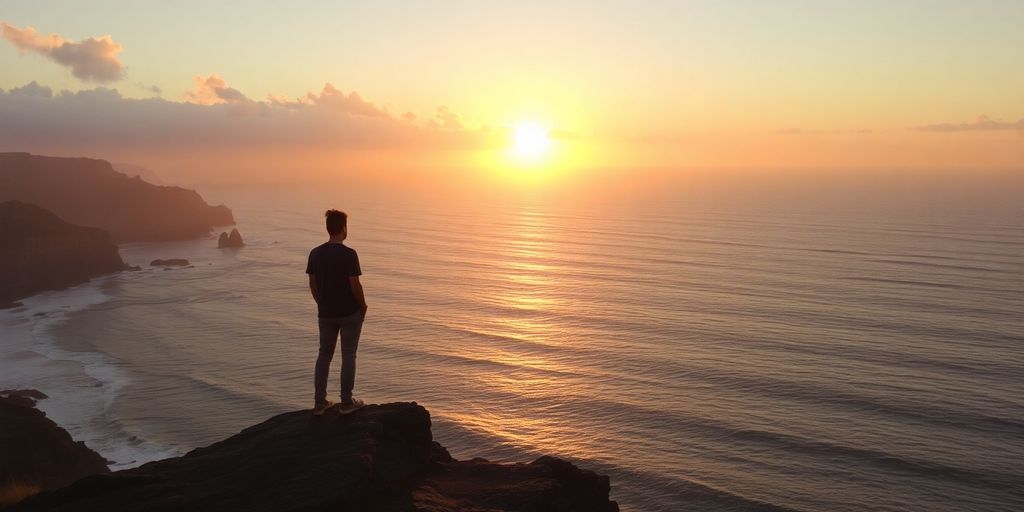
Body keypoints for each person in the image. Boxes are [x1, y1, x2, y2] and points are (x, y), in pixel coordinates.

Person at [306, 209, 368, 416]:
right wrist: (363, 305)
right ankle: (346, 402)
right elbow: (355, 285)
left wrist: (321, 303)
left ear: (328, 228)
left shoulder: (315, 253)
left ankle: (319, 402)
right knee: (349, 354)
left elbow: (312, 284)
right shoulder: (349, 254)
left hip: (325, 313)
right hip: (349, 313)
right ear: (343, 228)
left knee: (324, 355)